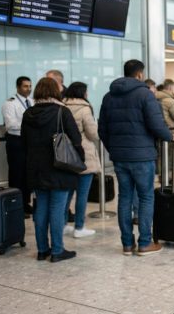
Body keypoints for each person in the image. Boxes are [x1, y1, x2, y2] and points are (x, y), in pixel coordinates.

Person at [99, 59, 172, 255]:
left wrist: (114, 148)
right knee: (146, 197)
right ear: (140, 74)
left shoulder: (108, 97)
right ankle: (145, 242)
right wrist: (169, 136)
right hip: (142, 156)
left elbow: (102, 129)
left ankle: (127, 244)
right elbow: (156, 125)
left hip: (119, 157)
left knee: (125, 198)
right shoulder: (144, 95)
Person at [21, 78, 83, 262]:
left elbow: (23, 141)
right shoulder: (61, 111)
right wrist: (79, 159)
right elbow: (76, 139)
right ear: (55, 91)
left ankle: (42, 249)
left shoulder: (28, 113)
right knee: (57, 208)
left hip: (36, 167)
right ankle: (57, 250)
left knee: (41, 207)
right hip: (59, 166)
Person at [62, 82, 99, 238]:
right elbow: (92, 134)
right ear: (83, 93)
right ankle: (79, 227)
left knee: (67, 193)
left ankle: (63, 224)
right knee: (82, 194)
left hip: (66, 154)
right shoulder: (84, 109)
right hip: (84, 154)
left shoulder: (62, 106)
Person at [1, 76, 34, 216]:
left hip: (29, 141)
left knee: (27, 174)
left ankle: (26, 203)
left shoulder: (32, 102)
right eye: (26, 86)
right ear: (18, 87)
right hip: (16, 141)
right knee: (17, 174)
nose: (29, 89)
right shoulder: (10, 103)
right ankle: (16, 205)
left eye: (30, 86)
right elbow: (10, 125)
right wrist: (29, 125)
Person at [156, 78, 174, 171]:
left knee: (161, 156)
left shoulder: (154, 97)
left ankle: (162, 178)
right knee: (169, 157)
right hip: (171, 131)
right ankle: (167, 180)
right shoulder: (169, 100)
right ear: (170, 87)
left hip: (158, 130)